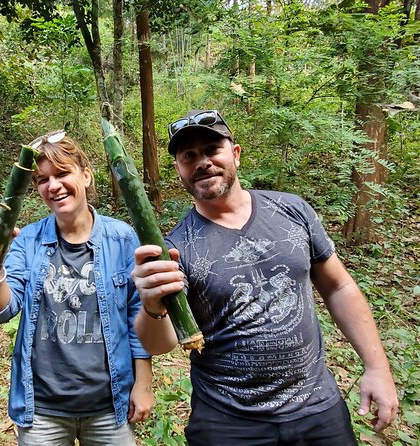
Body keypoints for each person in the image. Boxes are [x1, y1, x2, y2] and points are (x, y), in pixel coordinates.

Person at [131, 109, 398, 445]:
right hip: (228, 421)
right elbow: (161, 342)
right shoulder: (174, 248)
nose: (202, 162)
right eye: (189, 156)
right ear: (179, 169)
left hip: (317, 409)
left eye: (212, 149)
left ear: (236, 154)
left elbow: (338, 286)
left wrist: (377, 367)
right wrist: (152, 304)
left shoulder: (292, 211)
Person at [0, 131, 153, 446]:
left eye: (62, 173)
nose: (52, 186)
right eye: (42, 179)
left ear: (85, 174)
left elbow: (139, 313)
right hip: (43, 409)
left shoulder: (121, 237)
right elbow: (0, 311)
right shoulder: (28, 239)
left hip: (109, 405)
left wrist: (144, 384)